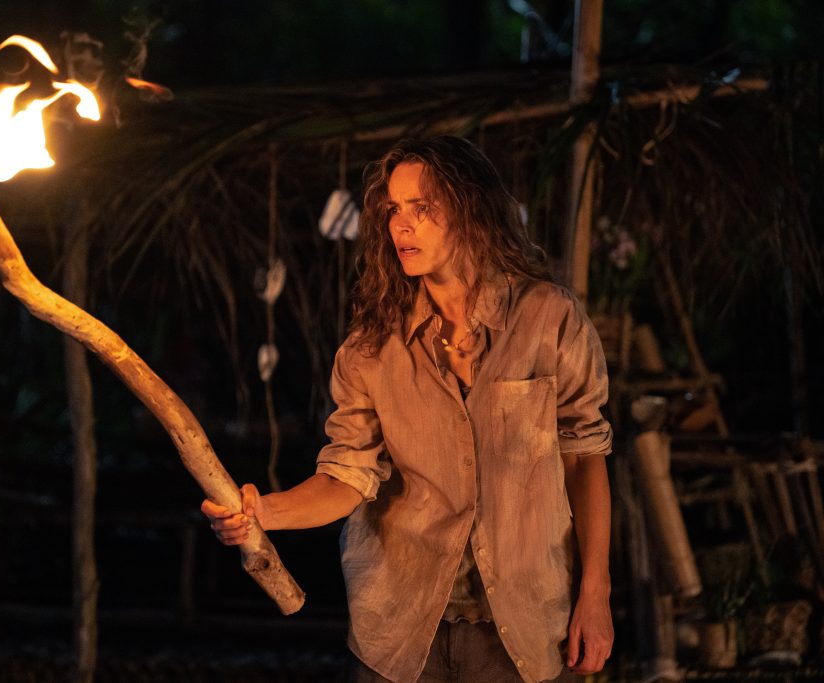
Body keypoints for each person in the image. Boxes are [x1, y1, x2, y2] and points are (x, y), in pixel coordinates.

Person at [202, 136, 614, 683]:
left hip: (525, 624)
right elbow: (349, 475)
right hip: (401, 627)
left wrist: (595, 594)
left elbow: (584, 458)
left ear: (472, 209)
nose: (402, 224)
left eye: (422, 207)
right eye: (394, 209)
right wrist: (263, 512)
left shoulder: (548, 318)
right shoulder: (371, 347)